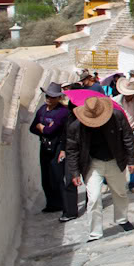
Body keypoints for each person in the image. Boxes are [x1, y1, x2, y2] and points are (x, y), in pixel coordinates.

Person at [65, 96, 134, 242]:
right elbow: (72, 150)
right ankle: (95, 232)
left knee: (120, 192)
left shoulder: (117, 117)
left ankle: (122, 219)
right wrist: (74, 172)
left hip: (115, 160)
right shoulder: (76, 127)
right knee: (93, 198)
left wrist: (131, 160)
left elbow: (128, 138)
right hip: (92, 164)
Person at [29, 82, 78, 222]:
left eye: (52, 97)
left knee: (57, 177)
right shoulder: (42, 110)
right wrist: (44, 129)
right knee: (46, 177)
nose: (49, 99)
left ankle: (64, 204)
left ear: (58, 98)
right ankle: (52, 203)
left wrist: (42, 127)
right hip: (45, 146)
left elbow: (51, 130)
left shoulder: (63, 112)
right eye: (47, 96)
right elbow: (33, 128)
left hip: (58, 147)